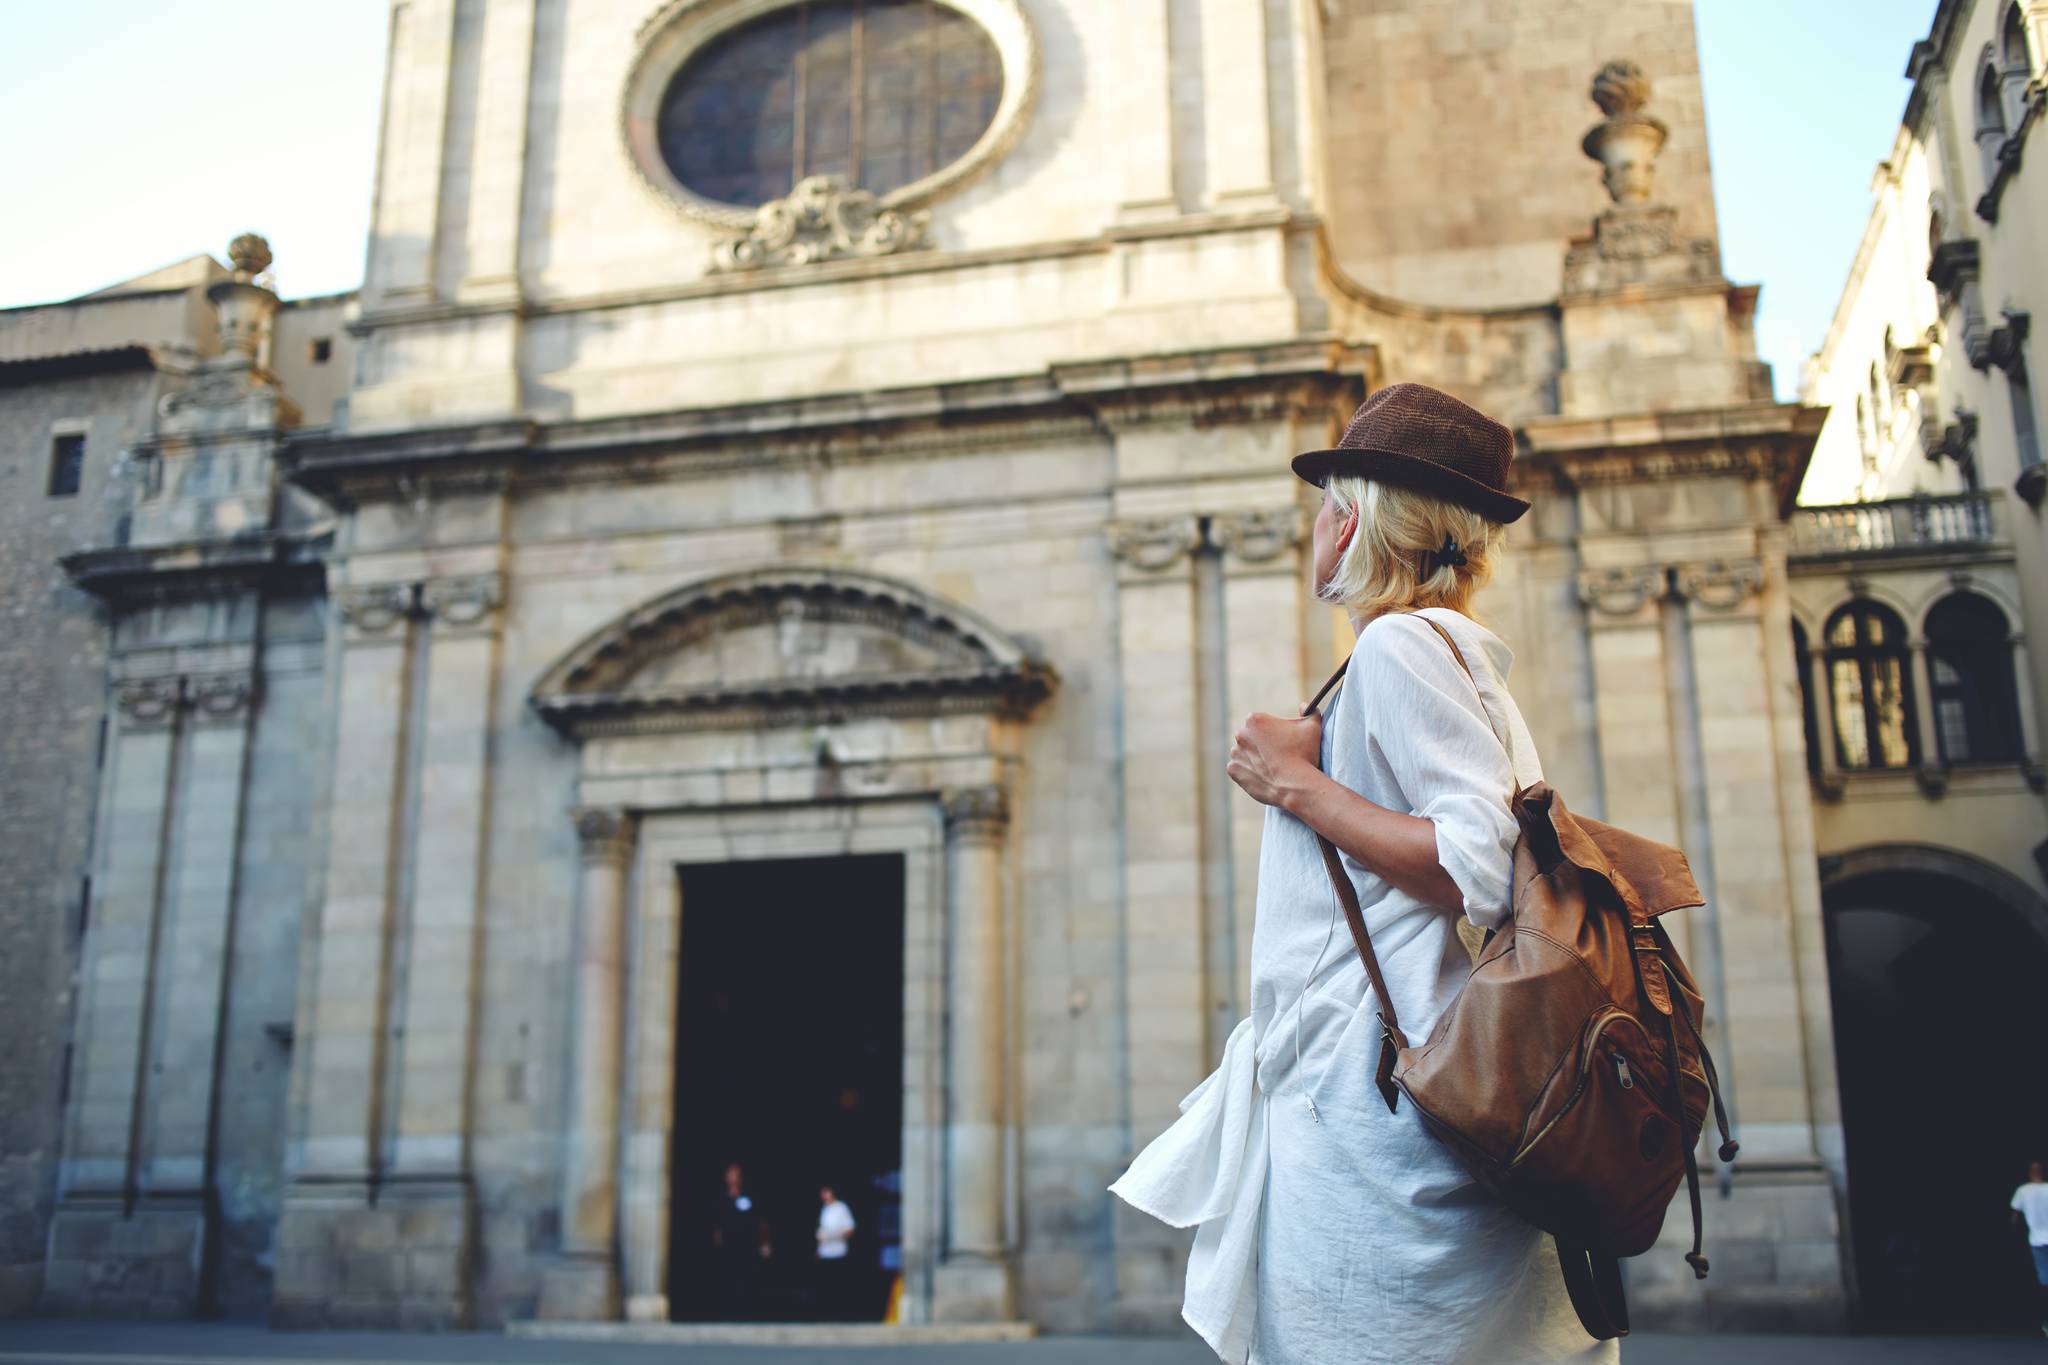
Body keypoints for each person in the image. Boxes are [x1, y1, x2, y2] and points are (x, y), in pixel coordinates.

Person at [1111, 383, 1612, 1363]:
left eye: (1324, 502)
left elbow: (1471, 865)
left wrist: (1291, 784)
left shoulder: (1397, 646)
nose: (1313, 525)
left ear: (1352, 520)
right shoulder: (1425, 653)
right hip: (1392, 1098)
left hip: (1379, 1111)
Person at [710, 1162, 771, 1319]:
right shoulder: (721, 1197)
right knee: (728, 1277)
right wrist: (717, 1239)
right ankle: (728, 1311)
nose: (733, 1177)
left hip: (748, 1244)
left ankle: (748, 1311)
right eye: (730, 1174)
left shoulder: (749, 1195)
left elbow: (761, 1221)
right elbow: (716, 1222)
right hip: (729, 1245)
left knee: (747, 1278)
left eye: (735, 1174)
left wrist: (764, 1243)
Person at [2012, 1158, 2048, 1338]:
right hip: (2037, 1241)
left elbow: (2014, 1217)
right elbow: (2015, 1215)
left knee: (2045, 1282)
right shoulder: (2024, 1190)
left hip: (2037, 1241)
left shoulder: (2024, 1190)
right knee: (2045, 1282)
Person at [814, 1184, 857, 1320]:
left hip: (838, 1251)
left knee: (839, 1283)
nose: (823, 1195)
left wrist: (834, 1236)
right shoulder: (824, 1209)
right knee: (826, 1284)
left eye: (826, 1192)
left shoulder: (841, 1208)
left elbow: (850, 1229)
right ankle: (827, 1311)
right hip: (825, 1252)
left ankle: (841, 1311)